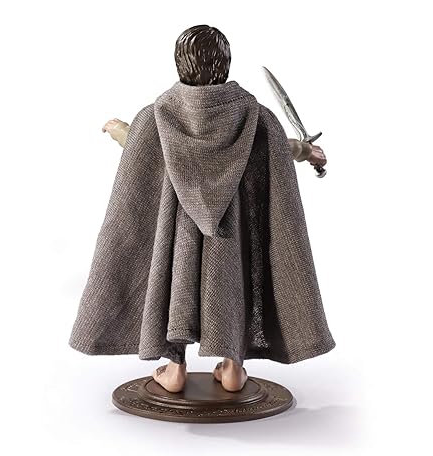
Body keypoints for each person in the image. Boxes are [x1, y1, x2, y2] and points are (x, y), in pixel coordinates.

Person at [70, 25, 335, 394]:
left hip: (176, 230)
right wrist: (307, 151)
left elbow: (143, 148)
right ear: (226, 65)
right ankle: (233, 368)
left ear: (179, 64)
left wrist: (121, 130)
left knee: (172, 282)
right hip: (232, 232)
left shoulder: (155, 117)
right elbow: (278, 148)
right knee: (236, 280)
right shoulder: (258, 118)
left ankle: (174, 369)